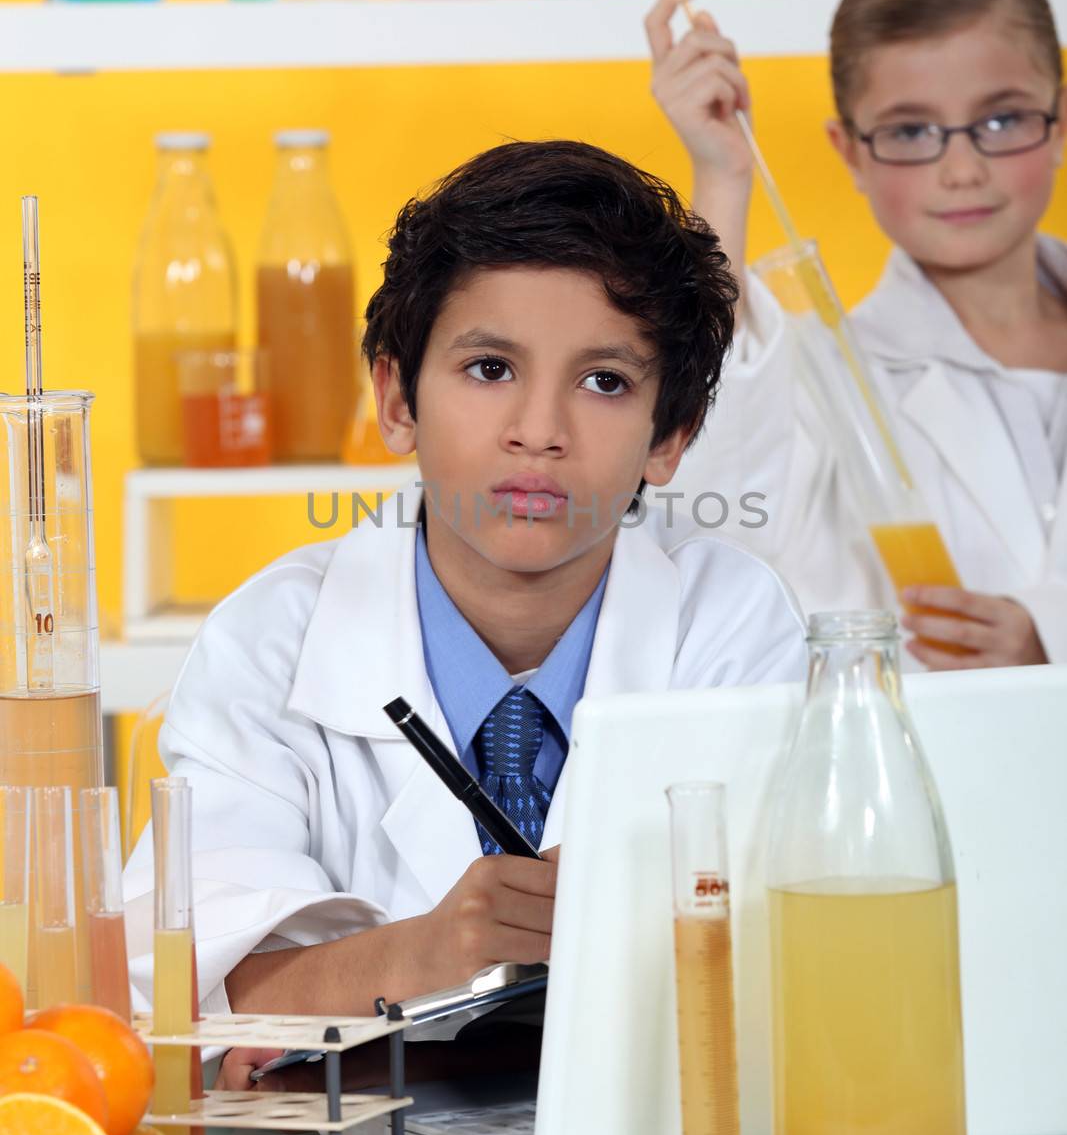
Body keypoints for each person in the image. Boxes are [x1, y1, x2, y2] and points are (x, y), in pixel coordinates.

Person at [122, 139, 806, 1075]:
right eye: (489, 369)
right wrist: (435, 949)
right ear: (396, 400)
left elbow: (790, 951)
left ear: (670, 439)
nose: (539, 431)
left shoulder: (729, 623)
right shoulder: (270, 640)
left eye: (604, 382)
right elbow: (185, 997)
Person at [646, 0, 1067, 669]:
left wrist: (1046, 637)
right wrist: (722, 174)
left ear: (1058, 123)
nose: (961, 170)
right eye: (910, 131)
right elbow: (719, 513)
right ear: (849, 152)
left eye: (1000, 120)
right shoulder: (823, 385)